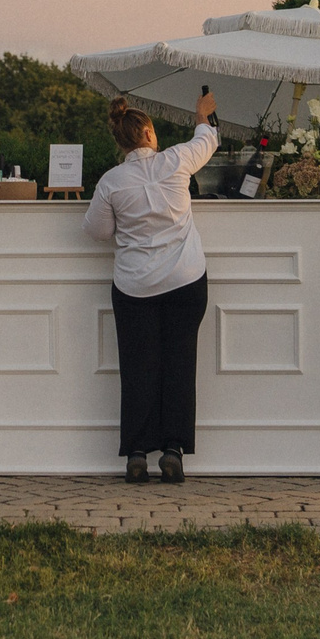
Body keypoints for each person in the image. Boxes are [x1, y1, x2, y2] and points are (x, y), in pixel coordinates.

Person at [83, 90, 219, 484]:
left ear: (121, 140)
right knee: (180, 364)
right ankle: (174, 451)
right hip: (185, 280)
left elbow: (97, 230)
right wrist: (201, 113)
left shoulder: (111, 182)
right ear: (147, 132)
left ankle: (137, 454)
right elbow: (207, 140)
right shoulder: (176, 160)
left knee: (137, 368)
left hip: (135, 287)